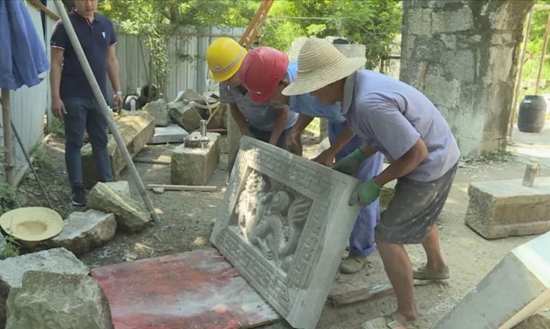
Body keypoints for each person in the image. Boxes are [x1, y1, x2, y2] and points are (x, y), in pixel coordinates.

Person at [282, 37, 460, 328]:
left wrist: (376, 183)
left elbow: (416, 152)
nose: (311, 95)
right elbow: (379, 134)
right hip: (429, 153)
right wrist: (354, 155)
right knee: (418, 214)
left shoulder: (368, 101)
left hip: (431, 163)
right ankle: (437, 267)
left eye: (313, 87)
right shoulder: (357, 88)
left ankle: (406, 314)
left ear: (331, 81)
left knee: (387, 236)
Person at [238, 46, 384, 274]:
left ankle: (361, 250)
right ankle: (347, 235)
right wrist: (296, 131)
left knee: (359, 190)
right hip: (339, 121)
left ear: (282, 84)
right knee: (342, 183)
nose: (268, 103)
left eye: (268, 97)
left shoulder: (315, 85)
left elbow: (353, 120)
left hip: (363, 130)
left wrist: (331, 151)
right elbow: (312, 106)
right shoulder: (291, 83)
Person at [50, 0, 122, 206]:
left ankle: (107, 183)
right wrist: (56, 96)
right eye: (84, 0)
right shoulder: (64, 25)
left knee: (100, 140)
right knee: (74, 142)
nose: (89, 4)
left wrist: (117, 90)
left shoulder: (106, 25)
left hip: (99, 95)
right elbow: (56, 64)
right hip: (73, 95)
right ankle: (78, 190)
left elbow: (111, 60)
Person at [205, 37, 297, 148]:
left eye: (229, 78)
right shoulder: (225, 78)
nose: (226, 82)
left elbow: (282, 113)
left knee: (279, 160)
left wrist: (271, 146)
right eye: (223, 79)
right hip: (257, 126)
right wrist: (247, 135)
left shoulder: (260, 73)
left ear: (242, 66)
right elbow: (234, 108)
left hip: (283, 127)